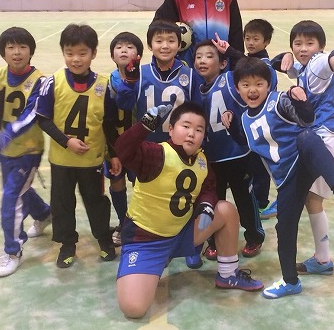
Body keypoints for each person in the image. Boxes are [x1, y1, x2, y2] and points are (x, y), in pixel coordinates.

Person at [223, 57, 334, 299]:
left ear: (268, 85)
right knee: (284, 229)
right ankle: (290, 281)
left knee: (307, 136)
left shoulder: (279, 100)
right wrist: (230, 126)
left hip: (301, 161)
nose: (252, 89)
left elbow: (307, 119)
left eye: (259, 84)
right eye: (246, 85)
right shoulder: (244, 119)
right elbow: (245, 141)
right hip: (285, 179)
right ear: (237, 88)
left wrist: (301, 100)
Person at [114, 102, 264, 319]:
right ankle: (144, 266)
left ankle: (228, 274)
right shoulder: (155, 153)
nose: (192, 133)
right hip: (146, 242)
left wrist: (206, 206)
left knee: (225, 210)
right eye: (186, 126)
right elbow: (122, 149)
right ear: (171, 129)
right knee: (134, 309)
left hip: (180, 234)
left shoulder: (201, 160)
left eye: (199, 129)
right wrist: (144, 125)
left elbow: (209, 188)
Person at [110, 19, 204, 269]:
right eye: (159, 40)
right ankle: (155, 242)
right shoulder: (140, 73)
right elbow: (124, 105)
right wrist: (129, 83)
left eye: (171, 40)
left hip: (181, 150)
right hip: (150, 151)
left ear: (179, 44)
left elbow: (198, 111)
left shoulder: (189, 75)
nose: (165, 45)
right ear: (150, 45)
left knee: (187, 197)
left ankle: (192, 246)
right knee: (150, 198)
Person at [275, 20, 334, 276]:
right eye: (297, 43)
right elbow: (280, 65)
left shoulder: (318, 64)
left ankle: (320, 259)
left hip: (324, 140)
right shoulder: (302, 67)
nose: (303, 48)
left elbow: (330, 59)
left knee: (299, 194)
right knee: (313, 200)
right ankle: (322, 259)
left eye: (309, 43)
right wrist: (285, 56)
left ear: (320, 46)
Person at [36, 23, 117, 268]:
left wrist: (113, 154)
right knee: (62, 204)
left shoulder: (104, 85)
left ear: (93, 53)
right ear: (63, 53)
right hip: (62, 160)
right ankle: (67, 244)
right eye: (69, 53)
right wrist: (66, 141)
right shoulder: (53, 82)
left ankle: (104, 239)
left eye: (82, 53)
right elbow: (43, 119)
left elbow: (109, 124)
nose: (76, 59)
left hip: (92, 160)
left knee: (96, 202)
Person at [0, 27, 51, 277]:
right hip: (4, 150)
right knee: (19, 190)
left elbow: (32, 114)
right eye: (11, 47)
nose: (16, 52)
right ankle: (44, 214)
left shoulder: (40, 81)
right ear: (3, 52)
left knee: (10, 198)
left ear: (31, 51)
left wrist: (7, 134)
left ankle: (13, 251)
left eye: (22, 47)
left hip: (28, 150)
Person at [193, 40, 265, 260]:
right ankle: (213, 241)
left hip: (238, 154)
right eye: (198, 57)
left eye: (209, 56)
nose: (202, 60)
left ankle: (254, 236)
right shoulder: (197, 90)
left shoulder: (230, 80)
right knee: (213, 201)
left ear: (223, 63)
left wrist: (231, 51)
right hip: (212, 158)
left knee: (244, 198)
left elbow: (253, 69)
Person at [212, 18, 277, 217]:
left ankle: (261, 202)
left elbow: (249, 65)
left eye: (256, 39)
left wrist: (229, 50)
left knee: (260, 164)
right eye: (247, 38)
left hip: (262, 122)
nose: (250, 43)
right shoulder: (251, 60)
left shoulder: (265, 65)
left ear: (266, 42)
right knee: (253, 162)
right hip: (251, 120)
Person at [106, 32, 143, 246]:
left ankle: (140, 222)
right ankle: (123, 222)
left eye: (129, 47)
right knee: (116, 181)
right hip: (116, 144)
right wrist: (112, 151)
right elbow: (106, 119)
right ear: (112, 55)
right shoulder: (108, 81)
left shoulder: (144, 78)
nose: (124, 50)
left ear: (138, 55)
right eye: (119, 47)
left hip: (139, 145)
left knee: (141, 184)